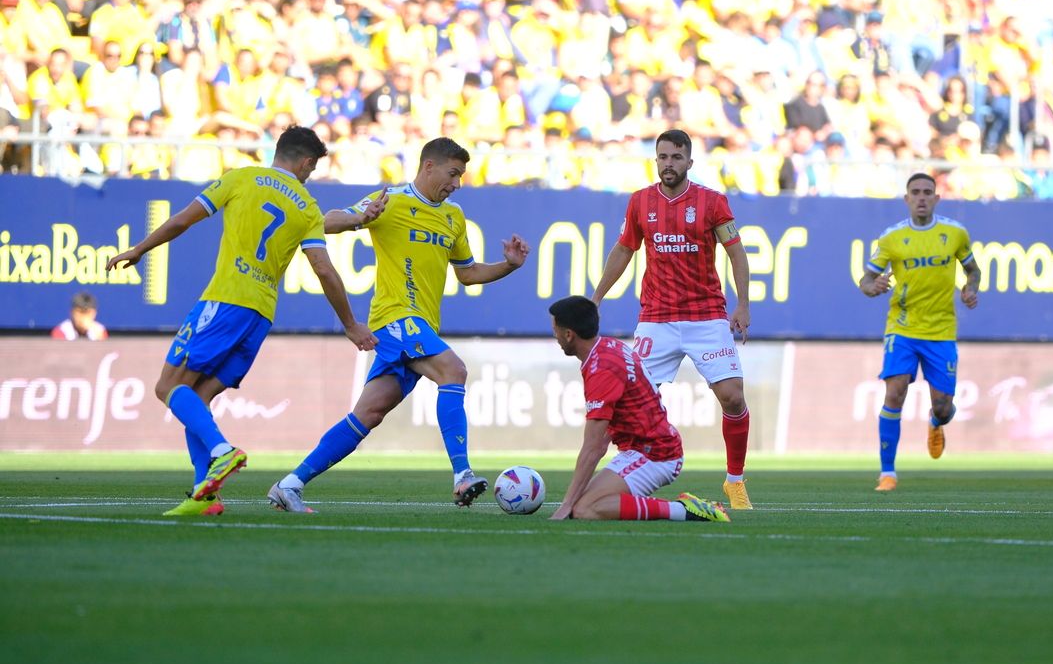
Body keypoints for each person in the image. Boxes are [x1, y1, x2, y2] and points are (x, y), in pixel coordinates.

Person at [106, 126, 379, 516]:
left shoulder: (241, 177)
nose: (310, 174)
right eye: (312, 168)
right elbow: (324, 269)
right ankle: (206, 497)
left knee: (168, 386)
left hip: (225, 300)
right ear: (305, 162)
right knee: (197, 398)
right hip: (260, 315)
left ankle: (222, 451)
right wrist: (351, 324)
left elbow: (183, 221)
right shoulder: (306, 206)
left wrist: (140, 249)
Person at [267, 137, 530, 514]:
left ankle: (289, 485)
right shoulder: (390, 199)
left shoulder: (453, 217)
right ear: (428, 167)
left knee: (367, 415)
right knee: (453, 370)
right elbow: (325, 222)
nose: (456, 183)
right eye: (453, 174)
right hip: (394, 317)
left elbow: (468, 274)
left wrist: (508, 265)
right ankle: (463, 475)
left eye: (460, 176)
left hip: (422, 325)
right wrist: (361, 217)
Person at [590, 129, 754, 510]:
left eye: (676, 158)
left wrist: (742, 304)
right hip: (656, 319)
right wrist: (595, 298)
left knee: (732, 397)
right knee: (630, 402)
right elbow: (624, 250)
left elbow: (737, 253)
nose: (668, 164)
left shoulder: (712, 203)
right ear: (656, 160)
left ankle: (735, 480)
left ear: (689, 162)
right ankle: (625, 469)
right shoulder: (640, 202)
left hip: (707, 316)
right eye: (663, 157)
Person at [547, 295, 730, 524]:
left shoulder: (602, 369)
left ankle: (683, 510)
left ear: (568, 334)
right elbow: (603, 438)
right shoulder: (606, 348)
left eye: (555, 329)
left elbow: (593, 447)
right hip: (643, 448)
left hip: (655, 454)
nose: (554, 336)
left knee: (585, 510)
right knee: (584, 505)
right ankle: (681, 508)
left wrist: (566, 505)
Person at [858, 172, 981, 493]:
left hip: (941, 331)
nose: (922, 197)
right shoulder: (891, 239)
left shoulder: (954, 234)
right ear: (907, 199)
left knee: (943, 406)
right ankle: (887, 473)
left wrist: (971, 288)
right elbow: (865, 281)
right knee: (894, 392)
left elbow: (973, 269)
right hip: (902, 328)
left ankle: (936, 422)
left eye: (928, 192)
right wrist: (874, 288)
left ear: (937, 198)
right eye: (916, 192)